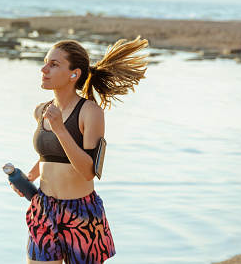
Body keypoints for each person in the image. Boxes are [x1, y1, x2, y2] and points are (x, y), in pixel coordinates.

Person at [11, 36, 149, 263]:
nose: (44, 69)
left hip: (80, 213)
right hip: (44, 208)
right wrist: (29, 175)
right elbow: (49, 155)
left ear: (74, 74)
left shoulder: (90, 112)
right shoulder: (41, 110)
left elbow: (88, 171)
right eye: (45, 61)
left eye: (54, 64)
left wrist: (60, 130)